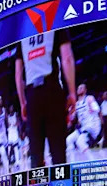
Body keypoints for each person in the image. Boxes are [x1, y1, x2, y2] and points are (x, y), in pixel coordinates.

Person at [15, 29, 75, 169]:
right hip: (52, 90)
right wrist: (72, 93)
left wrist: (23, 102)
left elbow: (18, 75)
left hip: (32, 96)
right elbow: (67, 58)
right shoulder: (56, 23)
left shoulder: (22, 36)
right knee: (58, 154)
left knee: (36, 157)